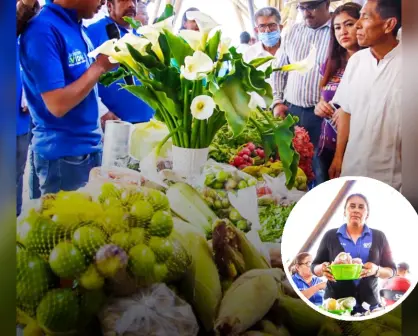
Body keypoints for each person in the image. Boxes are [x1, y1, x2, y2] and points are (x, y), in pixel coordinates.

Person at [19, 0, 117, 196]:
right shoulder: (43, 30)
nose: (104, 2)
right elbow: (57, 104)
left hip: (86, 149)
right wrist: (99, 67)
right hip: (62, 156)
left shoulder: (76, 26)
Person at [328, 0, 402, 191]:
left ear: (389, 25)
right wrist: (338, 157)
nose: (358, 25)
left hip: (392, 176)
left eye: (365, 17)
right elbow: (346, 111)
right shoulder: (357, 62)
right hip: (354, 167)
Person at [272, 0, 332, 186]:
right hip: (292, 111)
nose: (307, 12)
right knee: (293, 168)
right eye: (302, 7)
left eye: (312, 6)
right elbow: (279, 70)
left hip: (324, 116)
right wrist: (277, 101)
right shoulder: (293, 32)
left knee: (321, 169)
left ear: (327, 4)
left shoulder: (337, 31)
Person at [312, 193, 397, 315]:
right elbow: (314, 265)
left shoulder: (379, 236)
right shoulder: (330, 236)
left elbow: (392, 270)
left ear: (367, 214)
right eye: (352, 206)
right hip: (335, 305)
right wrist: (322, 268)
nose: (356, 210)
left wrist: (376, 270)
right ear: (344, 212)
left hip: (370, 306)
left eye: (361, 207)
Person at [314, 2, 362, 185]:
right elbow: (321, 98)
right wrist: (319, 107)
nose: (343, 31)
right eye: (337, 27)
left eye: (349, 24)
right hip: (326, 145)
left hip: (354, 149)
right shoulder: (330, 64)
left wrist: (340, 156)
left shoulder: (370, 63)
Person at [87, 0, 154, 126]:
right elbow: (79, 77)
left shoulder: (141, 35)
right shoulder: (93, 33)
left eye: (134, 1)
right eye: (123, 0)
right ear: (109, 6)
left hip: (147, 122)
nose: (131, 5)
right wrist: (101, 111)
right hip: (114, 124)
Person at [243, 7, 283, 87]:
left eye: (272, 25)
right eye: (262, 26)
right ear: (256, 30)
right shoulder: (249, 54)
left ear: (280, 28)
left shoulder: (291, 49)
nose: (267, 30)